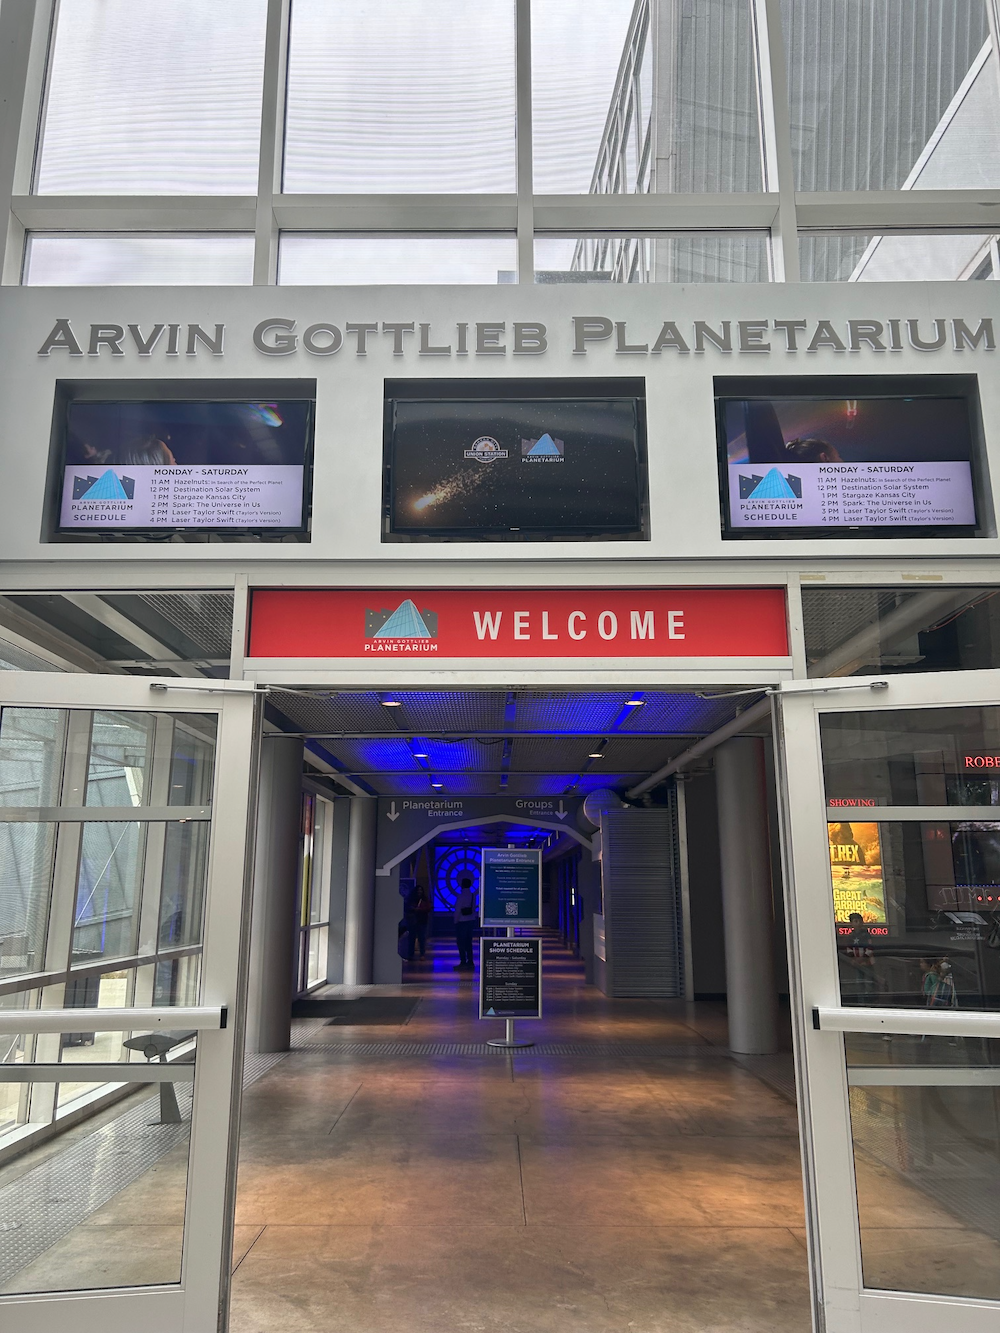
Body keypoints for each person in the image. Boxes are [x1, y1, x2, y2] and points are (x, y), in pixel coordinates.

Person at [454, 875, 477, 970]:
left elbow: (457, 910)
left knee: (461, 942)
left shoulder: (460, 896)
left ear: (462, 885)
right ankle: (470, 961)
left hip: (461, 921)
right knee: (468, 942)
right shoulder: (473, 896)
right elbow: (474, 908)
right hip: (470, 920)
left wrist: (455, 921)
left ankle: (463, 961)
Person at [408, 886, 431, 960]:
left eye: (420, 890)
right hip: (415, 921)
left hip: (421, 921)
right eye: (418, 890)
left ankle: (421, 954)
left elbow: (428, 908)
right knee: (413, 938)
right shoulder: (413, 900)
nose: (419, 892)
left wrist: (418, 909)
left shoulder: (423, 900)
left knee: (421, 938)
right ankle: (412, 955)